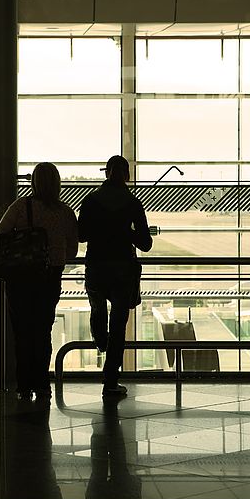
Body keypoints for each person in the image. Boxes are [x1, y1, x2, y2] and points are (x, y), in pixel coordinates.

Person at [0, 162, 78, 401]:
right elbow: (72, 249)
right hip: (50, 276)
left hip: (20, 277)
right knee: (43, 330)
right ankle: (42, 383)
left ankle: (23, 385)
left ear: (34, 182)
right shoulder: (65, 211)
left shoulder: (21, 206)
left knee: (21, 331)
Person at [78, 155, 153, 397]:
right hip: (122, 269)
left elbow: (81, 236)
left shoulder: (90, 201)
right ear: (127, 175)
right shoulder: (133, 203)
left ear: (106, 173)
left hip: (96, 267)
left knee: (97, 308)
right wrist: (125, 232)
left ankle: (100, 340)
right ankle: (110, 379)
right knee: (119, 325)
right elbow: (145, 243)